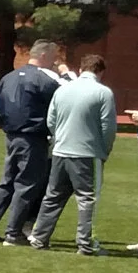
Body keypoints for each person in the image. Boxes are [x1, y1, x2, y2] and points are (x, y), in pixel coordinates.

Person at [28, 54, 118, 256]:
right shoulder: (103, 93)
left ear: (80, 69)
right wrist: (104, 150)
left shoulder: (62, 90)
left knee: (52, 197)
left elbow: (51, 120)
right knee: (87, 199)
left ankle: (39, 237)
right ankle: (86, 244)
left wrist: (60, 139)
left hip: (60, 151)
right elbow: (108, 128)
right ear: (101, 72)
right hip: (87, 154)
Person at [0, 41, 64, 245]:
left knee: (6, 182)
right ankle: (13, 232)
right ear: (43, 55)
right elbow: (60, 100)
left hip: (11, 136)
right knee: (27, 184)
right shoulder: (43, 80)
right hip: (33, 137)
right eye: (52, 57)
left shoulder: (8, 78)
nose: (54, 62)